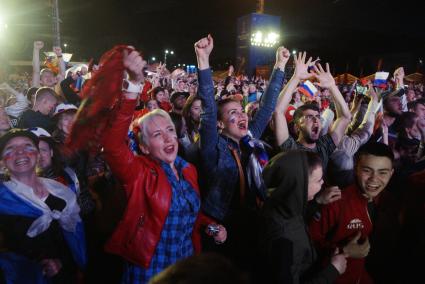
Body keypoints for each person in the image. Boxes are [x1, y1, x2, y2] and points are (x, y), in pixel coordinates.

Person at [100, 48, 226, 283]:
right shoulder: (138, 173)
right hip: (150, 269)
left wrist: (210, 226)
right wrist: (134, 87)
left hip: (185, 266)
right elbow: (112, 144)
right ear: (145, 147)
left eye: (170, 130)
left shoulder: (188, 170)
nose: (168, 138)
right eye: (157, 134)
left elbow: (189, 214)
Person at [195, 34, 288, 275]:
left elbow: (267, 107)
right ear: (220, 124)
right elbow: (207, 105)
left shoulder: (251, 140)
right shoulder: (212, 148)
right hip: (221, 224)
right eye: (232, 113)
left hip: (253, 220)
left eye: (242, 111)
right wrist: (203, 60)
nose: (242, 116)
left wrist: (279, 66)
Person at [0, 128, 86, 283]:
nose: (20, 152)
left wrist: (63, 262)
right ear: (2, 161)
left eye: (28, 146)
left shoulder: (60, 191)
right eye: (10, 149)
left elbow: (75, 238)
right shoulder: (2, 200)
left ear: (38, 155)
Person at [309, 142, 395, 284]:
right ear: (356, 168)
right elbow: (308, 245)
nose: (374, 179)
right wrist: (343, 250)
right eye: (367, 170)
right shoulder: (336, 202)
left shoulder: (391, 204)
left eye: (383, 172)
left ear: (391, 173)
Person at [259, 150, 347, 283]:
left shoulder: (282, 203)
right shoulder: (282, 242)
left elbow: (294, 217)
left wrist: (317, 201)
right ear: (298, 186)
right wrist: (333, 270)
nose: (323, 183)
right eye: (318, 180)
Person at [274, 52, 352, 171]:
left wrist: (332, 86)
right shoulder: (291, 149)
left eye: (317, 116)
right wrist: (296, 78)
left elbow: (346, 117)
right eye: (309, 117)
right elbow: (278, 111)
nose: (316, 119)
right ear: (296, 126)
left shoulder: (324, 147)